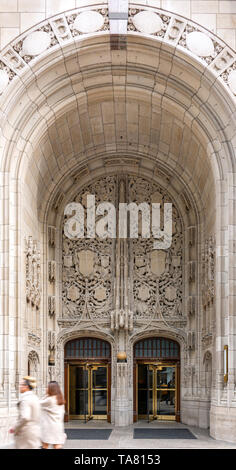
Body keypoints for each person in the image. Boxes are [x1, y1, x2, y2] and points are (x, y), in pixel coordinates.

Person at [9, 376, 41, 449]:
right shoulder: (35, 397)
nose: (19, 386)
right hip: (35, 432)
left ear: (26, 386)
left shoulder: (25, 399)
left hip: (25, 433)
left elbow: (25, 417)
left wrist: (15, 428)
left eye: (21, 384)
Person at [40, 381, 66, 449]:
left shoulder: (49, 399)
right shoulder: (60, 399)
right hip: (58, 426)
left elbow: (38, 403)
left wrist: (46, 395)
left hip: (49, 427)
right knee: (57, 446)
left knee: (45, 445)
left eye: (47, 387)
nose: (46, 389)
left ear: (51, 389)